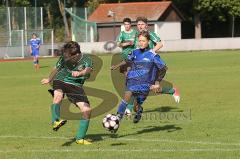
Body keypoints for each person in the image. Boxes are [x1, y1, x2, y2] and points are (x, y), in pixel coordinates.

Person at [111, 31, 167, 130]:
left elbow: (163, 68)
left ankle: (139, 110)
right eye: (139, 40)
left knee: (136, 106)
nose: (141, 43)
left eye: (143, 41)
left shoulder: (152, 55)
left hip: (145, 85)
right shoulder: (134, 52)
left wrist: (157, 83)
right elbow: (127, 61)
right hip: (133, 81)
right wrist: (116, 66)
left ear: (148, 41)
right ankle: (117, 120)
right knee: (126, 97)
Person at [41, 41, 92, 145]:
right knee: (58, 97)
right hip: (60, 80)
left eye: (69, 56)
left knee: (87, 110)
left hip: (75, 86)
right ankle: (55, 121)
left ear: (77, 54)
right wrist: (49, 79)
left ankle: (80, 139)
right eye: (66, 55)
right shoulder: (65, 56)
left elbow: (88, 70)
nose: (67, 57)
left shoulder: (87, 59)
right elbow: (56, 68)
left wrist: (80, 73)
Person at [116, 18, 137, 114]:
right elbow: (118, 44)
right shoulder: (122, 34)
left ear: (130, 25)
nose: (126, 26)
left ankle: (129, 106)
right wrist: (127, 43)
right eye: (125, 24)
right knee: (129, 81)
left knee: (130, 81)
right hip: (124, 58)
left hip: (134, 58)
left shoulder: (135, 33)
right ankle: (130, 103)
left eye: (128, 24)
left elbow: (139, 42)